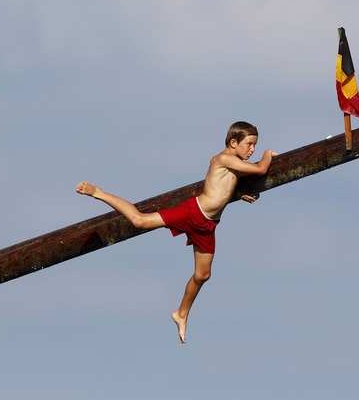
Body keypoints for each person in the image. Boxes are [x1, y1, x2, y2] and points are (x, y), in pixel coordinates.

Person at [76, 121, 277, 343]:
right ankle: (99, 193)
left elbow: (223, 189)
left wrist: (238, 194)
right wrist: (268, 155)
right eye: (249, 144)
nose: (253, 150)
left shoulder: (235, 165)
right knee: (139, 221)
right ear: (233, 142)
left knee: (203, 275)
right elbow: (261, 168)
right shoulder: (223, 158)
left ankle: (181, 313)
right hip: (193, 212)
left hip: (208, 224)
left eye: (256, 146)